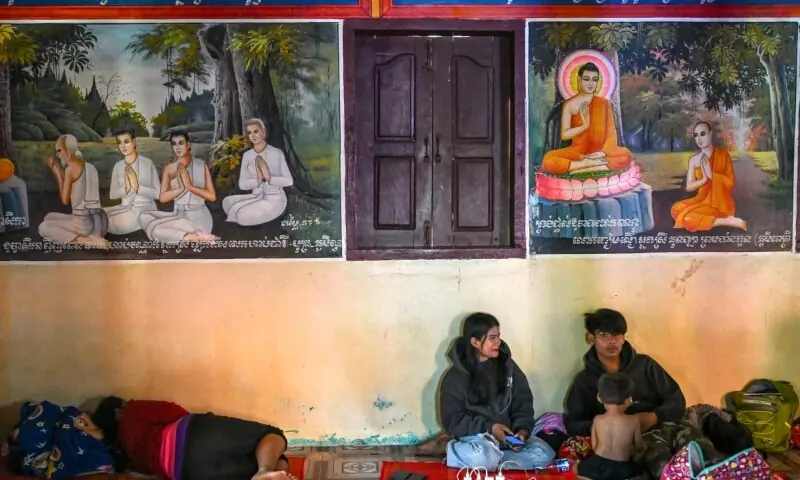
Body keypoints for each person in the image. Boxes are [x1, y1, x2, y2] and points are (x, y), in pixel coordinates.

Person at [565, 308, 717, 478]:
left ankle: (716, 471)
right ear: (591, 337)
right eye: (604, 335)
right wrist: (611, 425)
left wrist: (654, 416)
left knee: (700, 448)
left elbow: (676, 400)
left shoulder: (645, 365)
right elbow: (573, 423)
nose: (612, 341)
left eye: (618, 335)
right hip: (632, 439)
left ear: (623, 338)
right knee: (658, 460)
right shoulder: (585, 380)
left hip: (666, 425)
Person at [440, 312, 555, 471]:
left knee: (544, 454)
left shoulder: (508, 367)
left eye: (498, 336)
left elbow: (523, 401)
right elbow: (452, 419)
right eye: (492, 338)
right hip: (478, 441)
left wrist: (522, 430)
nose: (498, 342)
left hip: (507, 441)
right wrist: (491, 428)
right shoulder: (456, 376)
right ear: (474, 341)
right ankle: (455, 449)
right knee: (479, 454)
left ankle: (490, 462)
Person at [92, 396, 297, 480]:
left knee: (253, 468)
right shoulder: (131, 411)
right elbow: (173, 411)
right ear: (117, 410)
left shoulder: (123, 456)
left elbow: (150, 472)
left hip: (185, 471)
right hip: (192, 434)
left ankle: (270, 472)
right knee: (271, 435)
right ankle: (267, 470)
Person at [541, 62, 633, 175]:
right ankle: (588, 165)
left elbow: (611, 135)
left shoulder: (604, 104)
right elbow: (564, 135)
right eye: (586, 79)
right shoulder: (570, 104)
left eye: (594, 80)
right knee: (548, 159)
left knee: (626, 155)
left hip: (600, 152)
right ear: (579, 80)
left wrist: (603, 153)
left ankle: (583, 167)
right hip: (578, 152)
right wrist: (584, 125)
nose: (590, 83)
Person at [139, 130, 219, 243]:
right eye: (174, 144)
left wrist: (190, 186)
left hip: (198, 218)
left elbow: (212, 196)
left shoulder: (201, 165)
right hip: (178, 214)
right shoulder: (169, 168)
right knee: (144, 216)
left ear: (188, 144)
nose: (177, 147)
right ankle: (190, 236)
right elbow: (163, 198)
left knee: (155, 228)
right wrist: (180, 189)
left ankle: (191, 237)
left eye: (181, 143)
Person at [671, 121, 746, 231]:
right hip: (701, 199)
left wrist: (712, 175)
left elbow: (730, 183)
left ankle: (721, 218)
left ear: (710, 134)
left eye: (702, 134)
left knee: (687, 219)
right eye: (696, 135)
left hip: (720, 203)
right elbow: (689, 187)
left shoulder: (723, 155)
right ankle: (725, 221)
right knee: (675, 209)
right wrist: (705, 179)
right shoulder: (694, 159)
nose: (699, 139)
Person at [38, 134, 109, 249]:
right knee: (48, 217)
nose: (58, 155)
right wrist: (60, 171)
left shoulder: (70, 170)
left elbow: (65, 200)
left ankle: (85, 241)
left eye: (59, 151)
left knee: (43, 227)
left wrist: (57, 172)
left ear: (68, 151)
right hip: (99, 224)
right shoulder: (89, 167)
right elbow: (75, 188)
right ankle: (93, 237)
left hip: (83, 225)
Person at [222, 118, 293, 226]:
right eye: (249, 133)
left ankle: (247, 214)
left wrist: (270, 178)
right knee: (227, 202)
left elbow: (289, 181)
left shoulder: (277, 153)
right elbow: (242, 185)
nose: (253, 136)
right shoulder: (247, 156)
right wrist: (258, 181)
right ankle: (247, 211)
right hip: (256, 195)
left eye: (256, 131)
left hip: (275, 198)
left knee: (240, 215)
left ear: (263, 132)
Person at [575, 373, 643, 480]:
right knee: (641, 473)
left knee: (576, 469)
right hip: (622, 467)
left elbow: (594, 447)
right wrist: (639, 450)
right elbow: (639, 446)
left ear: (599, 398)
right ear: (628, 400)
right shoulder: (634, 420)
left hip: (597, 465)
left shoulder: (597, 419)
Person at [104, 128, 160, 235]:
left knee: (110, 222)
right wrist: (127, 188)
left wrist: (137, 187)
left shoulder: (147, 163)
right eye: (119, 143)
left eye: (126, 142)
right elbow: (112, 195)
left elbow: (158, 194)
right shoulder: (118, 166)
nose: (123, 146)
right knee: (97, 215)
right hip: (124, 206)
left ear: (134, 142)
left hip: (144, 208)